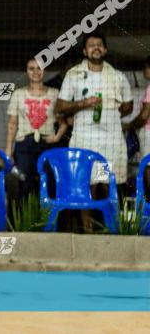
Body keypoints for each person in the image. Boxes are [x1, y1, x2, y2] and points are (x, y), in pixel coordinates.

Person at [56, 33, 132, 231]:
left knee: (106, 183)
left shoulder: (117, 76)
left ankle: (112, 228)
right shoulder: (73, 74)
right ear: (84, 51)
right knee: (86, 184)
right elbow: (61, 107)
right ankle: (88, 229)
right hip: (85, 139)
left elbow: (128, 106)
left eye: (99, 45)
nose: (96, 48)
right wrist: (84, 103)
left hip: (109, 141)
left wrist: (110, 114)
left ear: (105, 50)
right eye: (91, 45)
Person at [5, 58, 68, 199]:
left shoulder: (54, 93)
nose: (35, 72)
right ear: (26, 72)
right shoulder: (18, 94)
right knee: (24, 183)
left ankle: (47, 220)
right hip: (24, 145)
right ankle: (26, 219)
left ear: (44, 71)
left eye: (39, 68)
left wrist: (57, 137)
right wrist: (8, 151)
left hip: (48, 143)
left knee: (49, 183)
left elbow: (63, 122)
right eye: (31, 68)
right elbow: (12, 123)